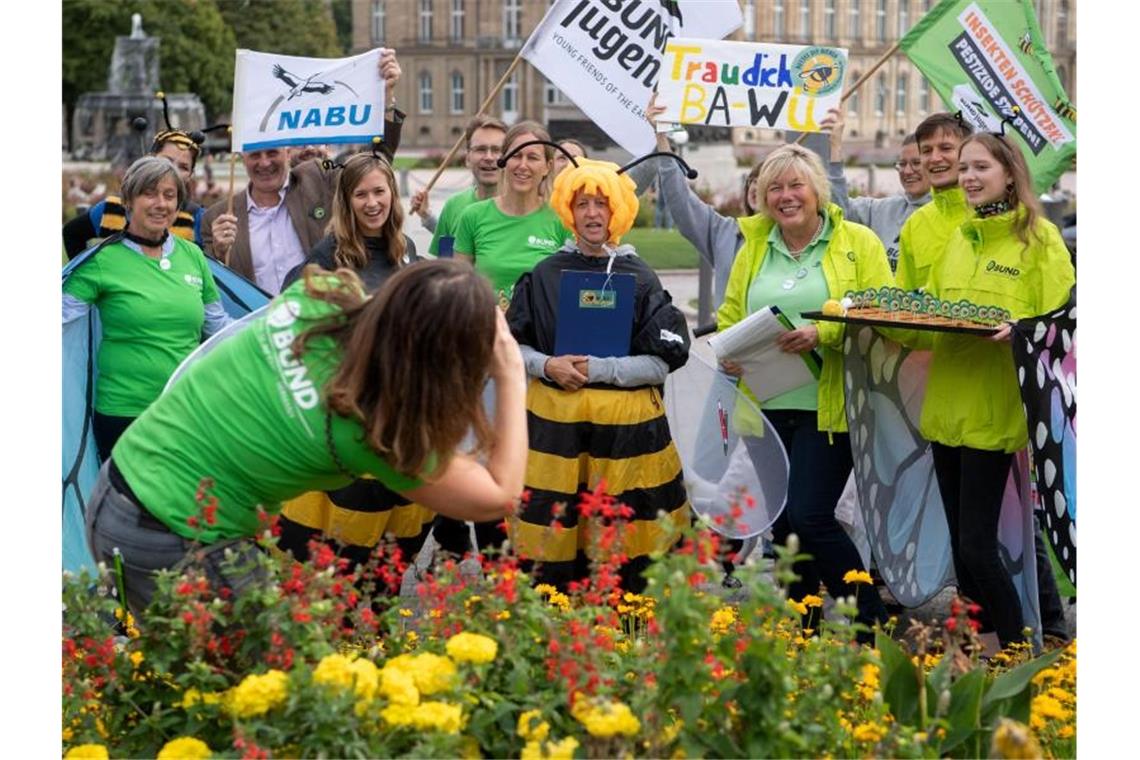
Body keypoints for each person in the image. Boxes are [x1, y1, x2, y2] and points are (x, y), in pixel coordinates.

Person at [85, 260, 528, 614]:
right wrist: (510, 372)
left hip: (117, 484)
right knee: (276, 693)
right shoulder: (373, 428)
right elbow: (498, 496)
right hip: (171, 535)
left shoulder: (316, 299)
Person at [716, 144, 893, 638]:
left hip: (830, 403)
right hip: (766, 404)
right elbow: (732, 314)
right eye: (775, 187)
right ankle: (806, 628)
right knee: (786, 526)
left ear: (818, 190)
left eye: (796, 185)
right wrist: (728, 352)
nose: (786, 196)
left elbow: (880, 311)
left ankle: (871, 629)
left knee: (812, 514)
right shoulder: (754, 246)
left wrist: (825, 332)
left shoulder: (857, 242)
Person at [914, 132, 1075, 648]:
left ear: (1010, 173)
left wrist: (1022, 330)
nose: (968, 177)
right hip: (944, 409)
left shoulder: (1041, 241)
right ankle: (985, 654)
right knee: (963, 552)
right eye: (963, 169)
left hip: (993, 410)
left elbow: (1064, 325)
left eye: (979, 167)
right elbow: (933, 312)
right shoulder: (958, 238)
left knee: (980, 545)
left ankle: (1017, 650)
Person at [506, 157, 691, 592]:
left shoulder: (641, 278)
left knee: (625, 543)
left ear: (618, 212)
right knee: (554, 537)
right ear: (569, 211)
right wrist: (546, 365)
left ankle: (625, 631)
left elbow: (665, 360)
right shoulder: (543, 275)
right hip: (555, 441)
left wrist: (603, 371)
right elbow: (511, 346)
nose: (592, 213)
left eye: (602, 205)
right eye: (583, 203)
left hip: (626, 444)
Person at [275, 151, 432, 567]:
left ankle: (377, 628)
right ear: (346, 201)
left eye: (380, 191)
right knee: (343, 553)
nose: (372, 203)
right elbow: (296, 329)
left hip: (398, 419)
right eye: (361, 194)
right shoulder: (327, 258)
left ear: (392, 195)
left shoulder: (406, 250)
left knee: (393, 548)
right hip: (349, 422)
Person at [62, 156, 231, 461]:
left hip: (184, 411)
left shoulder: (193, 256)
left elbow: (218, 327)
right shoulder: (101, 261)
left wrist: (271, 332)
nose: (161, 204)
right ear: (128, 199)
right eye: (149, 193)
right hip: (123, 416)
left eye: (169, 195)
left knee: (183, 507)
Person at [202, 49, 405, 295]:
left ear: (288, 152)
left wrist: (385, 98)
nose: (264, 163)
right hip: (257, 327)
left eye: (272, 153)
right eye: (255, 155)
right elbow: (215, 289)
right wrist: (220, 252)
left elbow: (373, 162)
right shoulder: (219, 217)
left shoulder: (319, 178)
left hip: (319, 321)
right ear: (241, 157)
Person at [453, 120, 573, 308]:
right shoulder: (472, 216)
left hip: (538, 334)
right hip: (486, 330)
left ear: (547, 166)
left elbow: (570, 293)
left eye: (532, 157)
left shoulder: (562, 220)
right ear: (504, 160)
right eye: (516, 156)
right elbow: (458, 289)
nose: (523, 165)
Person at [63, 129, 205, 259]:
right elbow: (72, 233)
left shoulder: (197, 217)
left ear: (191, 174)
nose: (172, 170)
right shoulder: (112, 209)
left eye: (183, 167)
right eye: (166, 161)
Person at [820, 107, 931, 270]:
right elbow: (838, 210)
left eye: (916, 163)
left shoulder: (950, 216)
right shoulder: (884, 210)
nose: (907, 171)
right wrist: (835, 147)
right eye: (902, 164)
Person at [895, 112, 973, 291]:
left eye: (946, 148)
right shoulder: (916, 224)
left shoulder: (1000, 219)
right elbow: (902, 303)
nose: (935, 158)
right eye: (927, 151)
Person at [408, 115, 508, 252]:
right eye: (480, 149)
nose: (489, 157)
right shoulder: (453, 206)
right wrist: (426, 216)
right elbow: (448, 256)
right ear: (467, 158)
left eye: (497, 150)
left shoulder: (524, 207)